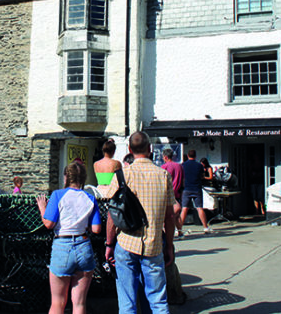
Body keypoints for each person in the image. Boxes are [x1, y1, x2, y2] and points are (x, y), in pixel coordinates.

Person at [105, 131, 176, 314]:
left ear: (129, 149)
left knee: (127, 302)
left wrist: (109, 243)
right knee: (158, 301)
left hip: (127, 241)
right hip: (153, 244)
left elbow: (112, 216)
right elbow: (170, 216)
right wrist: (169, 245)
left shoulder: (122, 176)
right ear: (150, 149)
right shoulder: (163, 176)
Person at [36, 161, 102, 314]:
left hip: (62, 245)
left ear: (66, 177)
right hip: (83, 244)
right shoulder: (90, 198)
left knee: (58, 302)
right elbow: (96, 229)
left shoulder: (58, 195)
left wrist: (42, 208)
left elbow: (48, 224)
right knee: (79, 304)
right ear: (84, 178)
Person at [180, 150, 211, 233]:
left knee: (184, 209)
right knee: (199, 208)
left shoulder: (183, 165)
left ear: (188, 155)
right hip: (197, 188)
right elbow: (202, 176)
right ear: (195, 156)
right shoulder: (199, 165)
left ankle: (179, 228)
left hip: (187, 188)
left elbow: (182, 176)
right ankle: (205, 227)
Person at [161, 149, 183, 235]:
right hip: (177, 193)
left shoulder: (164, 167)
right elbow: (183, 180)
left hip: (168, 194)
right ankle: (180, 231)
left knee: (168, 215)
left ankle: (166, 232)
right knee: (176, 215)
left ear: (166, 157)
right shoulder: (179, 166)